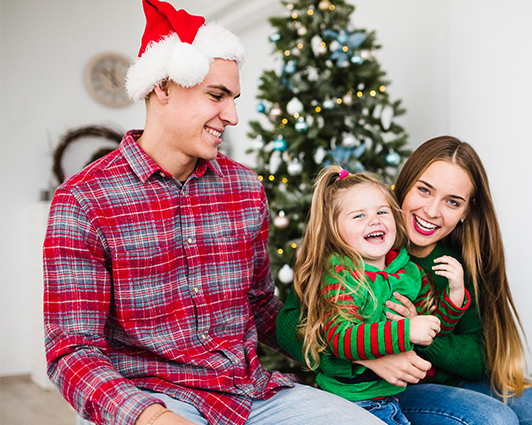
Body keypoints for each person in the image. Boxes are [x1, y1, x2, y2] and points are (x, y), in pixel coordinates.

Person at [42, 2, 385, 425]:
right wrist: (150, 418)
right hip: (149, 398)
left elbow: (260, 306)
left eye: (233, 99)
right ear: (163, 87)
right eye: (217, 96)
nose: (233, 116)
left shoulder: (244, 188)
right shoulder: (83, 201)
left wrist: (354, 354)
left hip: (249, 394)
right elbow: (73, 350)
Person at [277, 136, 532, 425]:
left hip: (454, 382)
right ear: (403, 186)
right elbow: (291, 325)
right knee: (493, 420)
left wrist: (420, 329)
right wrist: (369, 356)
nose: (431, 210)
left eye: (452, 201)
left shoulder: (457, 260)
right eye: (424, 190)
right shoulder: (353, 251)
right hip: (386, 387)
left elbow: (478, 358)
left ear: (466, 212)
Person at [283, 165, 470, 424]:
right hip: (349, 402)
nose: (375, 220)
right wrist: (407, 331)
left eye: (382, 211)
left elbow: (432, 330)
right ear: (335, 231)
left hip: (391, 400)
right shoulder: (340, 276)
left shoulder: (409, 274)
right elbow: (340, 339)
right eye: (359, 216)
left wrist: (456, 294)